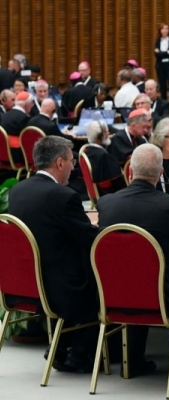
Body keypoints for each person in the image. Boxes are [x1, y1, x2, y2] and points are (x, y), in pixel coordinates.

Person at [97, 144, 169, 380]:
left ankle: (132, 362)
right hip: (165, 294)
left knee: (135, 276)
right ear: (161, 173)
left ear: (129, 171)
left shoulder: (107, 203)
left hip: (117, 291)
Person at [8, 136, 99, 372]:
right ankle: (80, 354)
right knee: (101, 281)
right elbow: (91, 240)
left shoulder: (18, 190)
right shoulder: (64, 196)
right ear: (60, 163)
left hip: (25, 282)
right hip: (60, 286)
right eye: (71, 161)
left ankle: (59, 346)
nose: (73, 167)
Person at [84, 120, 126, 195]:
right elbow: (118, 183)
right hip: (112, 195)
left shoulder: (87, 151)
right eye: (106, 131)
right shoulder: (104, 156)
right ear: (100, 136)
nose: (108, 134)